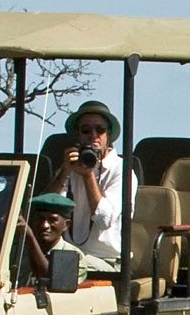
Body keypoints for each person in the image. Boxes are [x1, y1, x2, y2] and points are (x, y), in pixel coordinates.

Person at [35, 100, 131, 269]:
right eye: (86, 130)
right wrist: (64, 172)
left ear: (108, 135)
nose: (93, 135)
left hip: (108, 261)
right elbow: (46, 209)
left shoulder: (122, 170)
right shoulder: (72, 166)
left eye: (99, 130)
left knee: (64, 266)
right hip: (68, 255)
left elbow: (104, 220)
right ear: (78, 135)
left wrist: (88, 176)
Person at [17, 191, 85, 286]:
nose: (44, 225)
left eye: (52, 220)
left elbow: (55, 282)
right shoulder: (19, 251)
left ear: (66, 225)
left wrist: (30, 238)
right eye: (40, 219)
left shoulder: (73, 255)